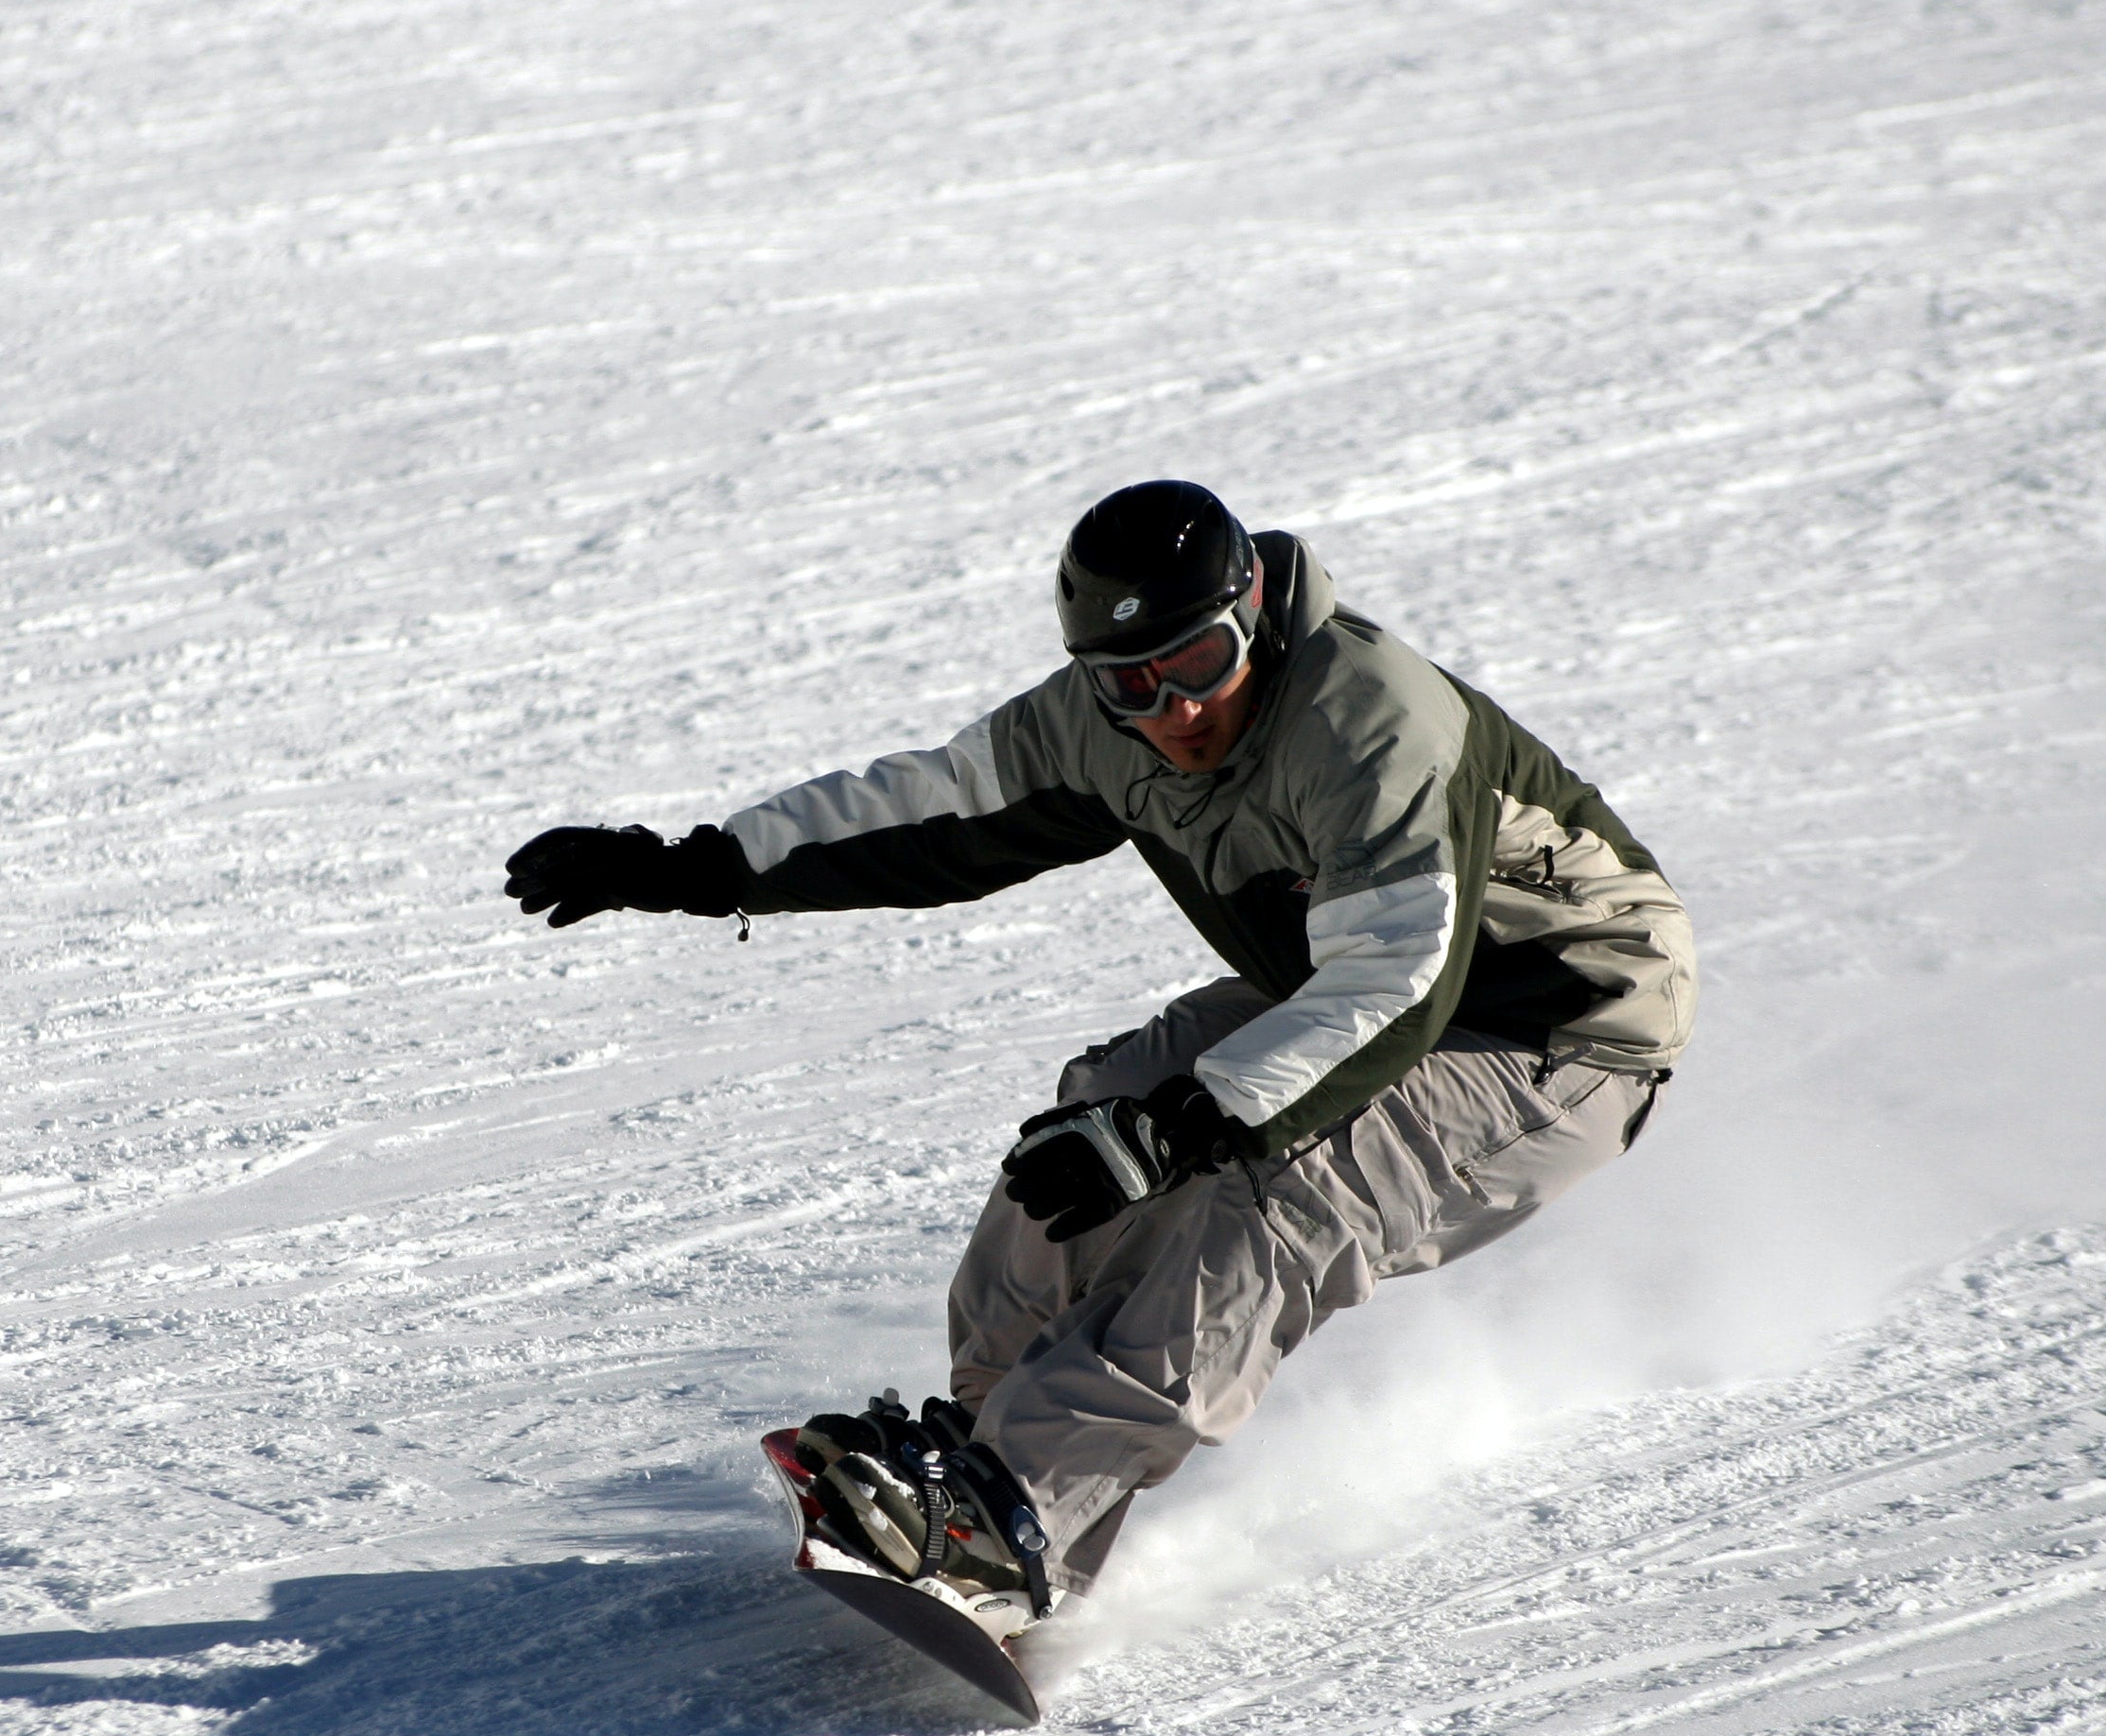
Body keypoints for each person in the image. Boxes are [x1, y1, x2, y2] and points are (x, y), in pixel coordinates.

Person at [503, 480, 1694, 1624]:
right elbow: (940, 805)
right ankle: (978, 1454)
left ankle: (1016, 1520)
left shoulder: (1369, 719)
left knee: (1273, 1194)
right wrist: (692, 868)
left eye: (1200, 664)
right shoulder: (1109, 721)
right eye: (1132, 681)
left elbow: (1400, 980)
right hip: (1342, 986)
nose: (1174, 707)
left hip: (1556, 1023)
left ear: (1255, 627)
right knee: (1101, 1114)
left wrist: (1192, 1124)